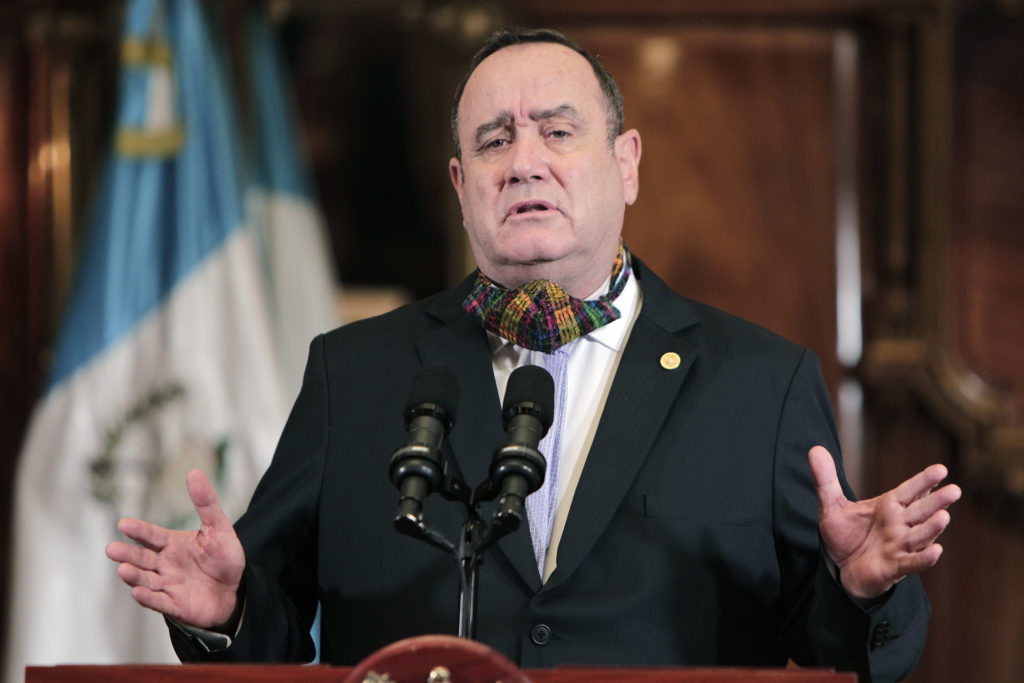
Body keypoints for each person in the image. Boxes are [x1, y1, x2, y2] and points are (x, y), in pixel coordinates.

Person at [106, 27, 960, 681]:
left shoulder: (761, 384)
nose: (524, 163)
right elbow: (274, 623)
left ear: (626, 164)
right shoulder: (354, 373)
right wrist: (227, 609)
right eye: (492, 141)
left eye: (558, 132)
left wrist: (861, 587)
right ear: (459, 186)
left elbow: (848, 657)